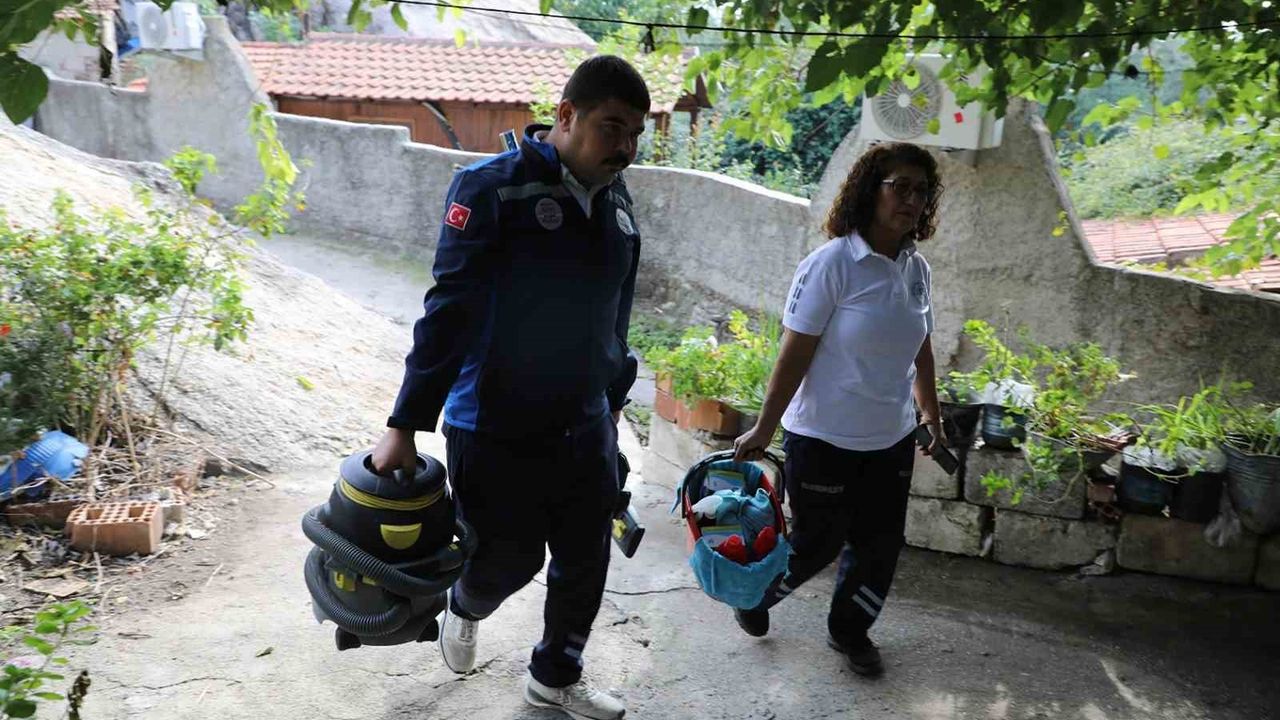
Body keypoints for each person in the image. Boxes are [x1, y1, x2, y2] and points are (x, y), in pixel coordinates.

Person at [371, 56, 649, 720]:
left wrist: (612, 408)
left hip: (583, 421)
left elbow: (617, 314)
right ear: (566, 116)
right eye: (612, 127)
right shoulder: (491, 189)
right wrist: (405, 422)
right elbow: (450, 309)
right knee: (507, 559)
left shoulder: (617, 202)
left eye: (636, 133)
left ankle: (554, 677)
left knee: (585, 557)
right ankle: (466, 605)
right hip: (493, 422)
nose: (626, 147)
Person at [731, 142, 946, 678]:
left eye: (922, 191)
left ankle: (850, 631)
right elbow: (795, 351)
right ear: (871, 190)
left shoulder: (917, 269)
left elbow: (920, 345)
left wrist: (930, 416)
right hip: (823, 438)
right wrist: (765, 425)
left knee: (879, 546)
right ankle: (755, 595)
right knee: (815, 545)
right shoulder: (832, 265)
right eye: (900, 186)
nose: (912, 200)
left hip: (890, 439)